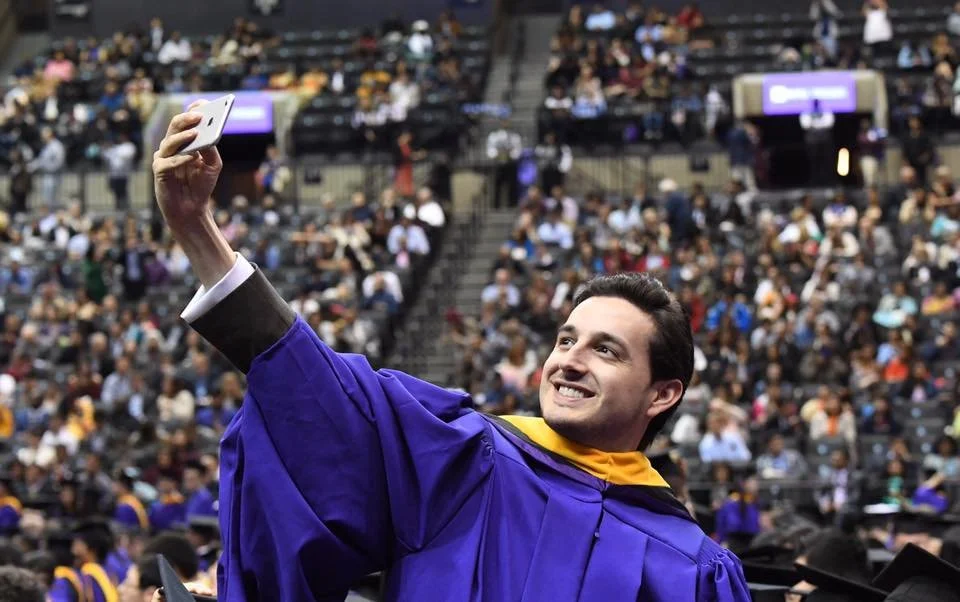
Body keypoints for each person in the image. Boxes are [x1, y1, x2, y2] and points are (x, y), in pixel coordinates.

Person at [151, 102, 750, 601]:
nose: (569, 359)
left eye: (607, 351)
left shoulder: (695, 571)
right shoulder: (465, 461)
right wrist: (198, 230)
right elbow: (325, 397)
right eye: (566, 339)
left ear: (663, 393)